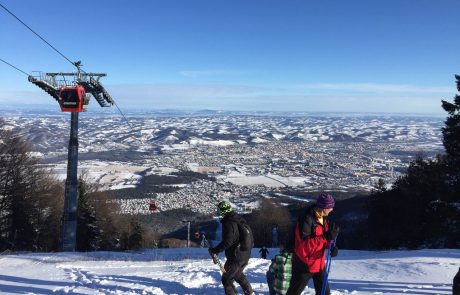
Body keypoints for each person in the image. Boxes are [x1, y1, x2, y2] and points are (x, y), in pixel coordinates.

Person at [286, 193, 340, 295]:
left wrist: (332, 245)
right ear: (324, 207)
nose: (332, 209)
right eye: (330, 207)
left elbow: (325, 238)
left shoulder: (322, 218)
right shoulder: (306, 220)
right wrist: (326, 237)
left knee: (324, 293)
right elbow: (305, 246)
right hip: (304, 264)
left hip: (319, 263)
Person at [209, 201, 254, 295]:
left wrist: (215, 250)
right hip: (245, 254)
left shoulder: (228, 222)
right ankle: (249, 292)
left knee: (226, 279)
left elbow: (228, 241)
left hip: (236, 256)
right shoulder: (238, 219)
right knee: (237, 275)